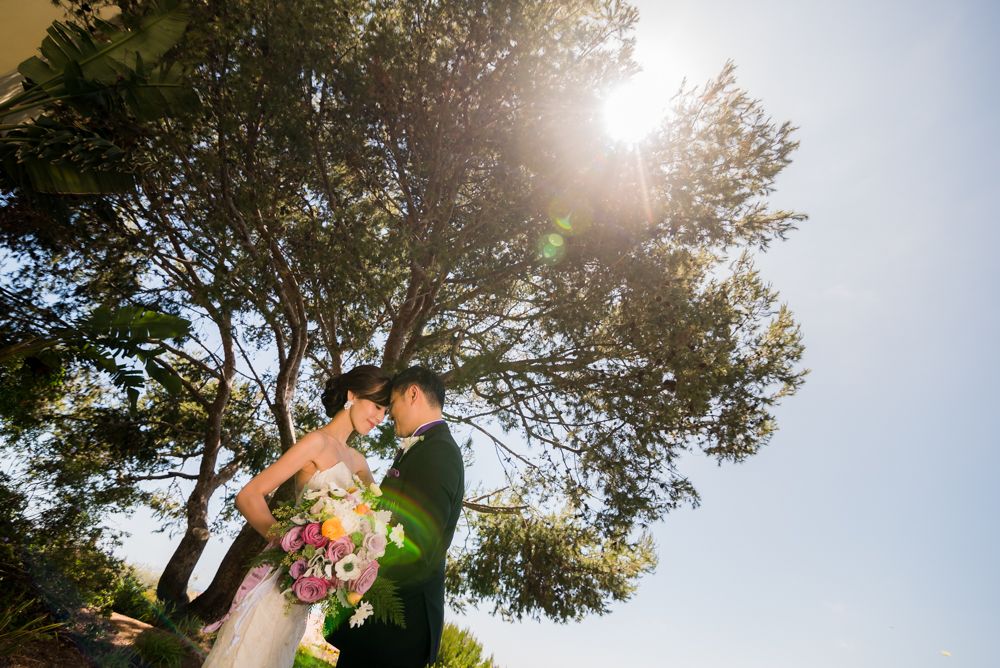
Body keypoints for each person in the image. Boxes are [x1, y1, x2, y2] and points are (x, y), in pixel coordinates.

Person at [202, 365, 390, 668]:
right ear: (353, 396)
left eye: (387, 412)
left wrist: (356, 553)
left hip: (305, 593)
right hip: (280, 581)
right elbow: (248, 496)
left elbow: (377, 519)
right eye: (377, 406)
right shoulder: (316, 442)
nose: (380, 418)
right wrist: (290, 542)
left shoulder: (359, 462)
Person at [327, 365, 465, 668]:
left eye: (393, 404)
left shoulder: (438, 452)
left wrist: (354, 565)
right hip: (383, 625)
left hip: (397, 629)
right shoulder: (425, 448)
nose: (388, 415)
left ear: (413, 394)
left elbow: (418, 545)